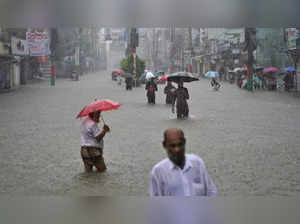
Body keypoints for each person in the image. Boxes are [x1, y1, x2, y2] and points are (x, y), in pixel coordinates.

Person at [150, 128, 218, 196]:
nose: (177, 149)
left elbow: (211, 191)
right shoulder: (158, 172)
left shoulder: (197, 163)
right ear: (164, 145)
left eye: (180, 144)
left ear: (184, 142)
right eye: (172, 146)